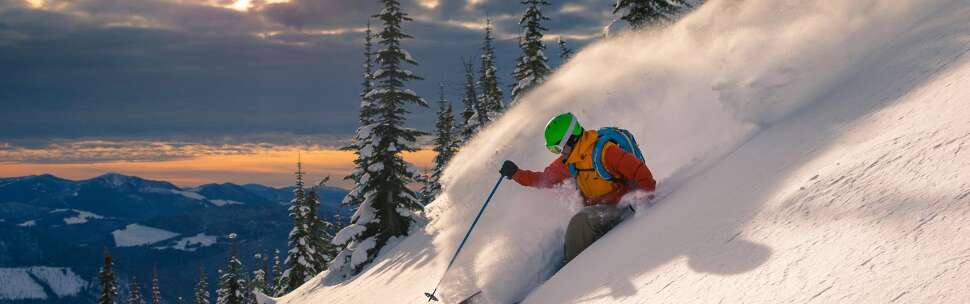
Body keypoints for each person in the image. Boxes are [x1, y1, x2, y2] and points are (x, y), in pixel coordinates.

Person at [499, 112, 656, 264]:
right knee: (573, 223)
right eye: (554, 150)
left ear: (570, 139)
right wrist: (516, 174)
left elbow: (640, 172)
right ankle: (566, 256)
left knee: (581, 221)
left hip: (620, 207)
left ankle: (573, 269)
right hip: (598, 213)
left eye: (558, 148)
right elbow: (543, 179)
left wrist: (645, 204)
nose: (558, 153)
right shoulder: (569, 162)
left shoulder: (605, 152)